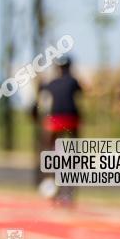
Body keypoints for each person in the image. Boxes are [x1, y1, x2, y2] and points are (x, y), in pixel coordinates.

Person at [37, 55, 84, 205]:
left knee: (49, 151)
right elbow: (82, 91)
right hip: (71, 120)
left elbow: (42, 92)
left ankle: (50, 181)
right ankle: (68, 192)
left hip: (56, 120)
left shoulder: (52, 82)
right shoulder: (73, 81)